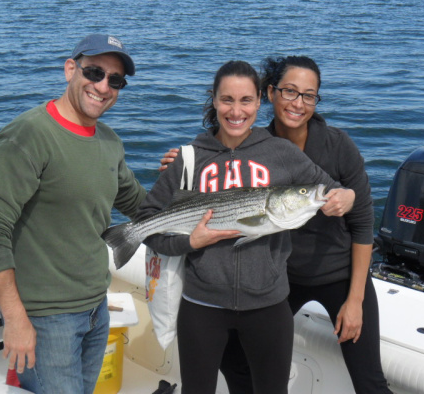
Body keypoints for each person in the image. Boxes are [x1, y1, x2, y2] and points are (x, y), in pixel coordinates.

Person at [160, 56, 391, 394]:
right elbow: (222, 154)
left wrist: (355, 299)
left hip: (337, 274)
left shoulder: (337, 145)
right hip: (284, 276)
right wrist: (182, 163)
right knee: (235, 362)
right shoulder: (257, 145)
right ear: (270, 93)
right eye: (289, 92)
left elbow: (362, 223)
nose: (298, 103)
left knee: (368, 377)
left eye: (309, 95)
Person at [0, 34, 147, 394]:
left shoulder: (109, 141)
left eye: (115, 80)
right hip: (45, 319)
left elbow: (138, 203)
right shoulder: (27, 136)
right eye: (95, 72)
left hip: (97, 307)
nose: (103, 86)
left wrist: (184, 176)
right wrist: (15, 319)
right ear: (70, 69)